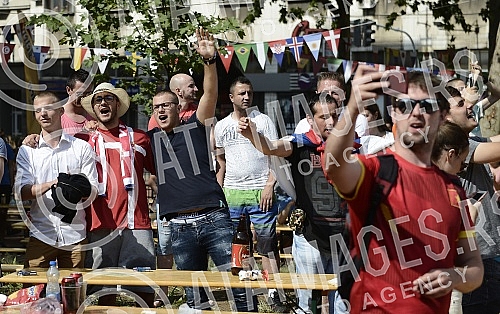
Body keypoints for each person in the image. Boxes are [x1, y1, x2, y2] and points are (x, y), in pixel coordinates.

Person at [323, 67, 483, 313]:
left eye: (427, 105)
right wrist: (353, 107)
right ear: (393, 114)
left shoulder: (453, 188)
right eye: (404, 105)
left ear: (442, 116)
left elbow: (474, 267)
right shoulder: (375, 171)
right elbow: (333, 164)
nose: (416, 113)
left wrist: (454, 277)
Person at [149, 28, 255, 312]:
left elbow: (210, 92)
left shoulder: (195, 125)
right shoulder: (148, 140)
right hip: (179, 227)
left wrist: (209, 61)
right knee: (194, 298)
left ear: (177, 105)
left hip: (213, 218)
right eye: (155, 106)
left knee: (238, 283)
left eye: (166, 105)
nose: (161, 110)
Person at [238, 93, 346, 314]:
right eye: (323, 117)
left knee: (343, 306)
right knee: (307, 303)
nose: (330, 122)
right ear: (310, 119)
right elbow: (271, 147)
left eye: (334, 115)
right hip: (309, 236)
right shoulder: (299, 144)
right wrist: (252, 135)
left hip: (344, 237)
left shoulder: (352, 146)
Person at [79, 82, 157, 306]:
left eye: (108, 98)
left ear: (118, 104)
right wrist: (33, 139)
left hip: (136, 221)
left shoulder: (140, 138)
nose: (103, 103)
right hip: (99, 220)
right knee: (100, 286)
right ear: (93, 108)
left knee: (143, 282)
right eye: (98, 100)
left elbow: (159, 172)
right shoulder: (83, 141)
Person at [214, 76, 281, 308]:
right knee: (238, 246)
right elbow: (220, 161)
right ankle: (245, 293)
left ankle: (273, 292)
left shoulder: (263, 121)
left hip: (260, 191)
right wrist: (220, 189)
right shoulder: (221, 126)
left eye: (249, 93)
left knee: (267, 244)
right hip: (232, 193)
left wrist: (270, 185)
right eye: (241, 93)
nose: (246, 97)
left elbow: (276, 157)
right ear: (231, 97)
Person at [15, 91, 98, 268]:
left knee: (74, 294)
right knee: (33, 293)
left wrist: (75, 188)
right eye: (38, 110)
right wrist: (52, 184)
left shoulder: (81, 147)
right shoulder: (28, 151)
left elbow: (93, 191)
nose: (43, 113)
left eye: (48, 108)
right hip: (41, 233)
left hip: (75, 235)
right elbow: (21, 193)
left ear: (61, 111)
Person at [442, 84, 500, 313]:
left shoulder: (471, 141)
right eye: (460, 104)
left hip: (487, 255)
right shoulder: (456, 146)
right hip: (475, 259)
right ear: (445, 117)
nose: (470, 107)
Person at [431, 121, 472, 314]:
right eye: (462, 163)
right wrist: (469, 217)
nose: (460, 169)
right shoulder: (452, 190)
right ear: (451, 154)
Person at [294, 72, 369, 138]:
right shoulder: (304, 124)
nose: (330, 96)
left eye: (335, 93)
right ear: (317, 94)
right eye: (324, 93)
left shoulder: (357, 120)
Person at [62, 69, 96, 135]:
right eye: (80, 93)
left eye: (88, 93)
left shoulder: (95, 115)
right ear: (68, 90)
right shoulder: (57, 117)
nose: (84, 97)